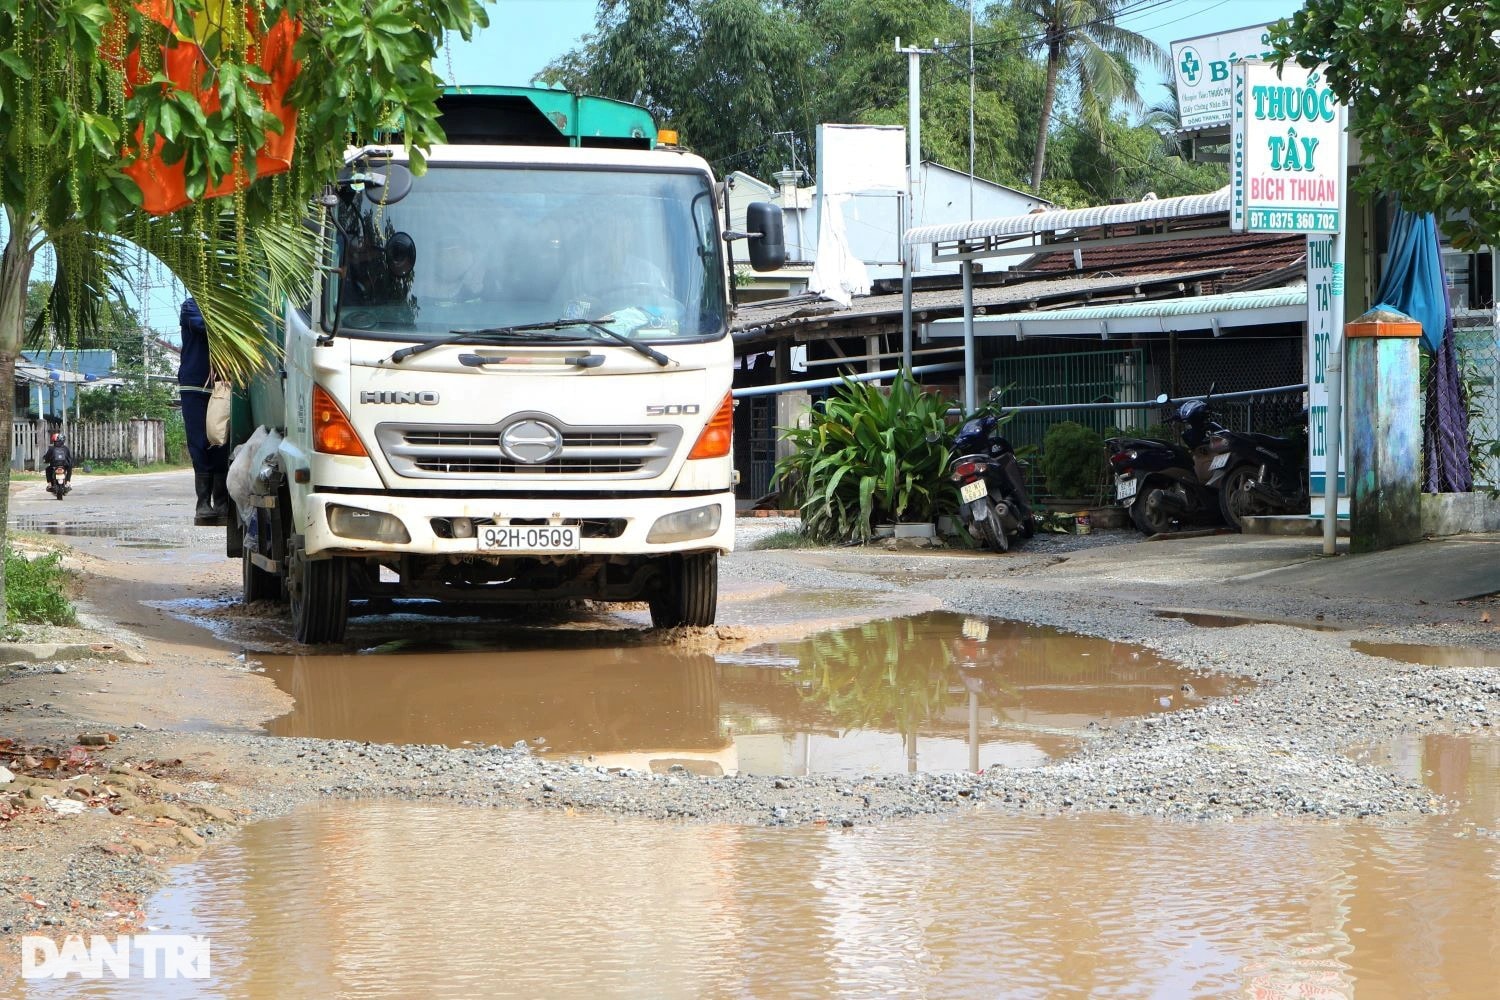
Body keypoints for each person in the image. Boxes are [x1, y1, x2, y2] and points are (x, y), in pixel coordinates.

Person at [179, 298, 229, 526]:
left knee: (219, 440)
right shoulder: (190, 307)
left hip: (221, 386)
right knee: (199, 443)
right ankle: (202, 503)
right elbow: (207, 327)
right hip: (194, 386)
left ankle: (221, 502)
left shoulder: (227, 306)